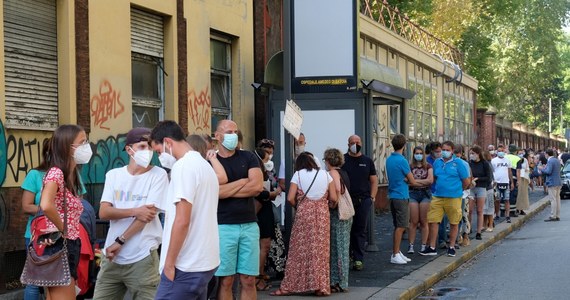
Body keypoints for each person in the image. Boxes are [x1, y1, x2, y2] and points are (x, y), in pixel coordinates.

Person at [93, 128, 169, 300]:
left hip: (142, 257)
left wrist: (120, 241)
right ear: (129, 150)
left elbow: (147, 216)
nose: (148, 151)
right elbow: (104, 212)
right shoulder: (114, 175)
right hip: (112, 258)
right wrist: (136, 211)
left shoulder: (158, 175)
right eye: (142, 146)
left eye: (150, 147)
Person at [150, 120, 221, 299]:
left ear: (168, 142)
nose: (160, 157)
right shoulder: (204, 165)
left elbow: (182, 220)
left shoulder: (183, 167)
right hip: (204, 261)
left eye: (158, 151)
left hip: (186, 265)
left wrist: (169, 263)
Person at [270, 152, 337, 296]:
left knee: (298, 250)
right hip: (322, 215)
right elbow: (333, 197)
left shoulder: (298, 175)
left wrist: (298, 205)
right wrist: (326, 205)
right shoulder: (326, 175)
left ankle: (289, 286)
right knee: (320, 251)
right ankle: (321, 287)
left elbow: (289, 198)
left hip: (304, 214)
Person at [38, 124, 90, 299]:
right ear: (67, 147)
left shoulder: (70, 174)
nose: (86, 146)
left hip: (67, 245)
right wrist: (64, 229)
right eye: (82, 142)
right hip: (60, 244)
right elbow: (46, 204)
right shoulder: (56, 173)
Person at [214, 120, 264, 300]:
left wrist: (227, 190)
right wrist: (242, 182)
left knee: (248, 279)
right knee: (226, 280)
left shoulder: (249, 157)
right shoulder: (212, 161)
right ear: (217, 136)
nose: (233, 135)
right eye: (228, 131)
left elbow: (257, 187)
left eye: (235, 131)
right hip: (223, 226)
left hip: (249, 225)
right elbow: (214, 193)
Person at [420, 141, 470, 257]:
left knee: (454, 222)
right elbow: (436, 177)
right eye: (443, 149)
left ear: (452, 151)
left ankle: (451, 246)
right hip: (438, 196)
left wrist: (457, 190)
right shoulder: (437, 162)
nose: (445, 152)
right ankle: (432, 247)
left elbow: (466, 181)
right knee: (433, 221)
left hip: (453, 197)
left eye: (447, 150)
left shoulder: (459, 164)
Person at [341, 134, 378, 271]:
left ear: (361, 143)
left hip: (363, 200)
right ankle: (346, 257)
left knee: (360, 230)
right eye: (352, 142)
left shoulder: (367, 161)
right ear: (348, 144)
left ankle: (358, 259)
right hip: (346, 201)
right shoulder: (343, 160)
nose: (355, 144)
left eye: (357, 142)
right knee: (346, 229)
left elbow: (374, 180)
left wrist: (372, 198)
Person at [20, 138, 51, 300]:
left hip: (65, 235)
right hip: (36, 235)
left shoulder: (72, 174)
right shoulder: (35, 174)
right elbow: (26, 206)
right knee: (34, 280)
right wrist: (49, 210)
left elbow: (79, 204)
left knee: (60, 279)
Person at [323, 148, 352, 292]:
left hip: (338, 214)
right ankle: (342, 280)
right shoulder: (343, 173)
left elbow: (336, 192)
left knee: (336, 248)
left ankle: (338, 281)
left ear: (328, 161)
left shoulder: (332, 173)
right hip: (346, 215)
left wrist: (330, 204)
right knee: (343, 247)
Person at [252, 147, 280, 291]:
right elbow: (260, 192)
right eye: (267, 158)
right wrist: (273, 193)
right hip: (262, 208)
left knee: (264, 244)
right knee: (263, 244)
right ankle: (258, 277)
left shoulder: (263, 170)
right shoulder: (257, 170)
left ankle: (259, 274)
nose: (269, 160)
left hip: (264, 208)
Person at [386, 134, 416, 264]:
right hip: (402, 195)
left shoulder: (389, 159)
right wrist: (408, 180)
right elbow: (412, 180)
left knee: (398, 225)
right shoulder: (402, 160)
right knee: (401, 225)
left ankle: (397, 251)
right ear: (404, 145)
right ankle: (395, 253)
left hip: (392, 195)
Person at [407, 146, 433, 255]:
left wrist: (415, 181)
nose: (418, 155)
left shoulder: (428, 166)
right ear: (413, 154)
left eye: (420, 153)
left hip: (425, 194)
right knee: (413, 221)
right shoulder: (410, 166)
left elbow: (430, 180)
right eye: (416, 153)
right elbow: (407, 181)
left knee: (423, 221)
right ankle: (411, 245)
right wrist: (422, 181)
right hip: (413, 193)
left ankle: (423, 245)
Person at [468, 146, 493, 241]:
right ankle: (468, 229)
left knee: (479, 210)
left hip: (481, 187)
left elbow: (489, 178)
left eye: (473, 153)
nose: (471, 155)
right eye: (470, 153)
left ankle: (478, 231)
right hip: (471, 188)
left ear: (478, 154)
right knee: (469, 210)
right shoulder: (469, 163)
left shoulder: (485, 164)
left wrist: (478, 178)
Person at [491, 145, 514, 223]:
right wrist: (493, 181)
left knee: (506, 199)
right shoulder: (493, 161)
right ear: (497, 151)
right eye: (499, 151)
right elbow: (491, 172)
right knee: (497, 200)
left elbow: (509, 171)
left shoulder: (507, 160)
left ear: (504, 151)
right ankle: (497, 214)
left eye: (502, 151)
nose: (501, 152)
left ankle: (507, 215)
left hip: (506, 182)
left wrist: (512, 182)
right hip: (497, 183)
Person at [539, 148, 562, 222]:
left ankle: (553, 216)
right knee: (557, 199)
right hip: (558, 181)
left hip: (552, 182)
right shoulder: (556, 160)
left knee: (553, 200)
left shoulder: (550, 161)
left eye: (545, 154)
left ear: (547, 154)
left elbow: (548, 172)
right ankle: (557, 215)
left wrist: (541, 169)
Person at [482, 150, 495, 232]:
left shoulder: (488, 164)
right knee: (484, 209)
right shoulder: (484, 164)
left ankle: (490, 224)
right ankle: (484, 224)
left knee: (489, 208)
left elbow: (490, 178)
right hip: (483, 188)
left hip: (488, 188)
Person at [506, 144, 521, 217]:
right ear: (515, 151)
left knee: (505, 195)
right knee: (513, 195)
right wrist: (518, 181)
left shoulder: (505, 157)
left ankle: (503, 211)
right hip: (514, 178)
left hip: (505, 178)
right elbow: (518, 171)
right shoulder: (517, 159)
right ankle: (512, 211)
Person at [516, 149, 530, 216]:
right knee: (517, 194)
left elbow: (528, 168)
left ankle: (521, 208)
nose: (521, 154)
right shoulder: (515, 159)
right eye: (520, 153)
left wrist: (526, 170)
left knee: (523, 194)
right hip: (517, 178)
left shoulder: (525, 160)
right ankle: (516, 208)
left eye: (522, 153)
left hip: (524, 178)